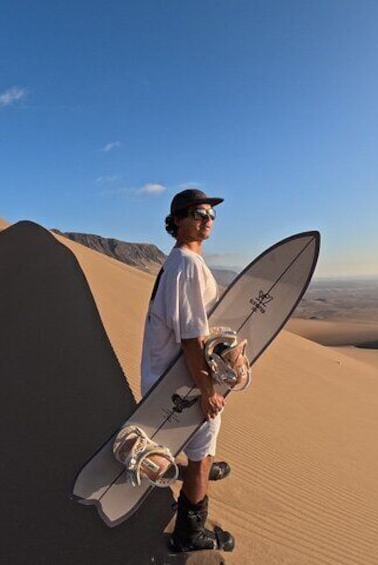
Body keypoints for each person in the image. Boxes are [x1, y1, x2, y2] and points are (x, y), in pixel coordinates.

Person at [141, 188, 235, 552]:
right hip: (181, 382)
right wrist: (208, 389)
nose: (208, 218)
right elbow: (191, 338)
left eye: (211, 213)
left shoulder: (177, 261)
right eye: (199, 212)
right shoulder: (187, 265)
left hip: (168, 376)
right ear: (178, 220)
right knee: (202, 454)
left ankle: (197, 468)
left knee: (199, 447)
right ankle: (190, 535)